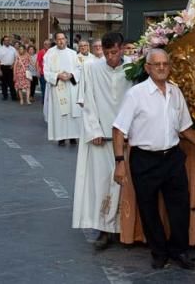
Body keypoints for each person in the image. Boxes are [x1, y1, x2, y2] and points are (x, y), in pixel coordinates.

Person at [113, 48, 195, 270]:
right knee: (148, 209)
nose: (161, 68)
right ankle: (159, 252)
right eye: (156, 64)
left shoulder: (175, 92)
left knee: (179, 207)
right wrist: (119, 162)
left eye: (165, 64)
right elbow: (118, 130)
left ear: (169, 67)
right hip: (143, 160)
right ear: (148, 68)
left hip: (172, 158)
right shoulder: (136, 94)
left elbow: (185, 128)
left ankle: (179, 252)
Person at [73, 32, 132, 251]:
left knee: (126, 186)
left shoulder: (133, 69)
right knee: (103, 185)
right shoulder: (92, 68)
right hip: (102, 138)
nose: (110, 57)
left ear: (122, 48)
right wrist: (94, 129)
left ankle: (126, 230)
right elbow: (87, 101)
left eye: (114, 52)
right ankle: (104, 230)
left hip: (127, 139)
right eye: (106, 53)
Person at [44, 33, 81, 144]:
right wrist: (58, 76)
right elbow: (46, 71)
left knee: (71, 111)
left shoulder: (73, 53)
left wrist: (71, 75)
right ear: (55, 40)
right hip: (58, 87)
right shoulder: (50, 53)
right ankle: (61, 137)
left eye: (63, 39)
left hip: (70, 86)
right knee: (60, 112)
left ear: (66, 40)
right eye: (58, 39)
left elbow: (79, 69)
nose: (61, 41)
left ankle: (73, 136)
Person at [0, 36, 18, 101]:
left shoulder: (13, 49)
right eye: (6, 40)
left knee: (12, 83)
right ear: (3, 41)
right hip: (3, 67)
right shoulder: (0, 49)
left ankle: (13, 96)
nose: (7, 41)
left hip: (11, 67)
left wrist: (13, 64)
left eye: (8, 40)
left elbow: (16, 58)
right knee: (4, 83)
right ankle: (5, 95)